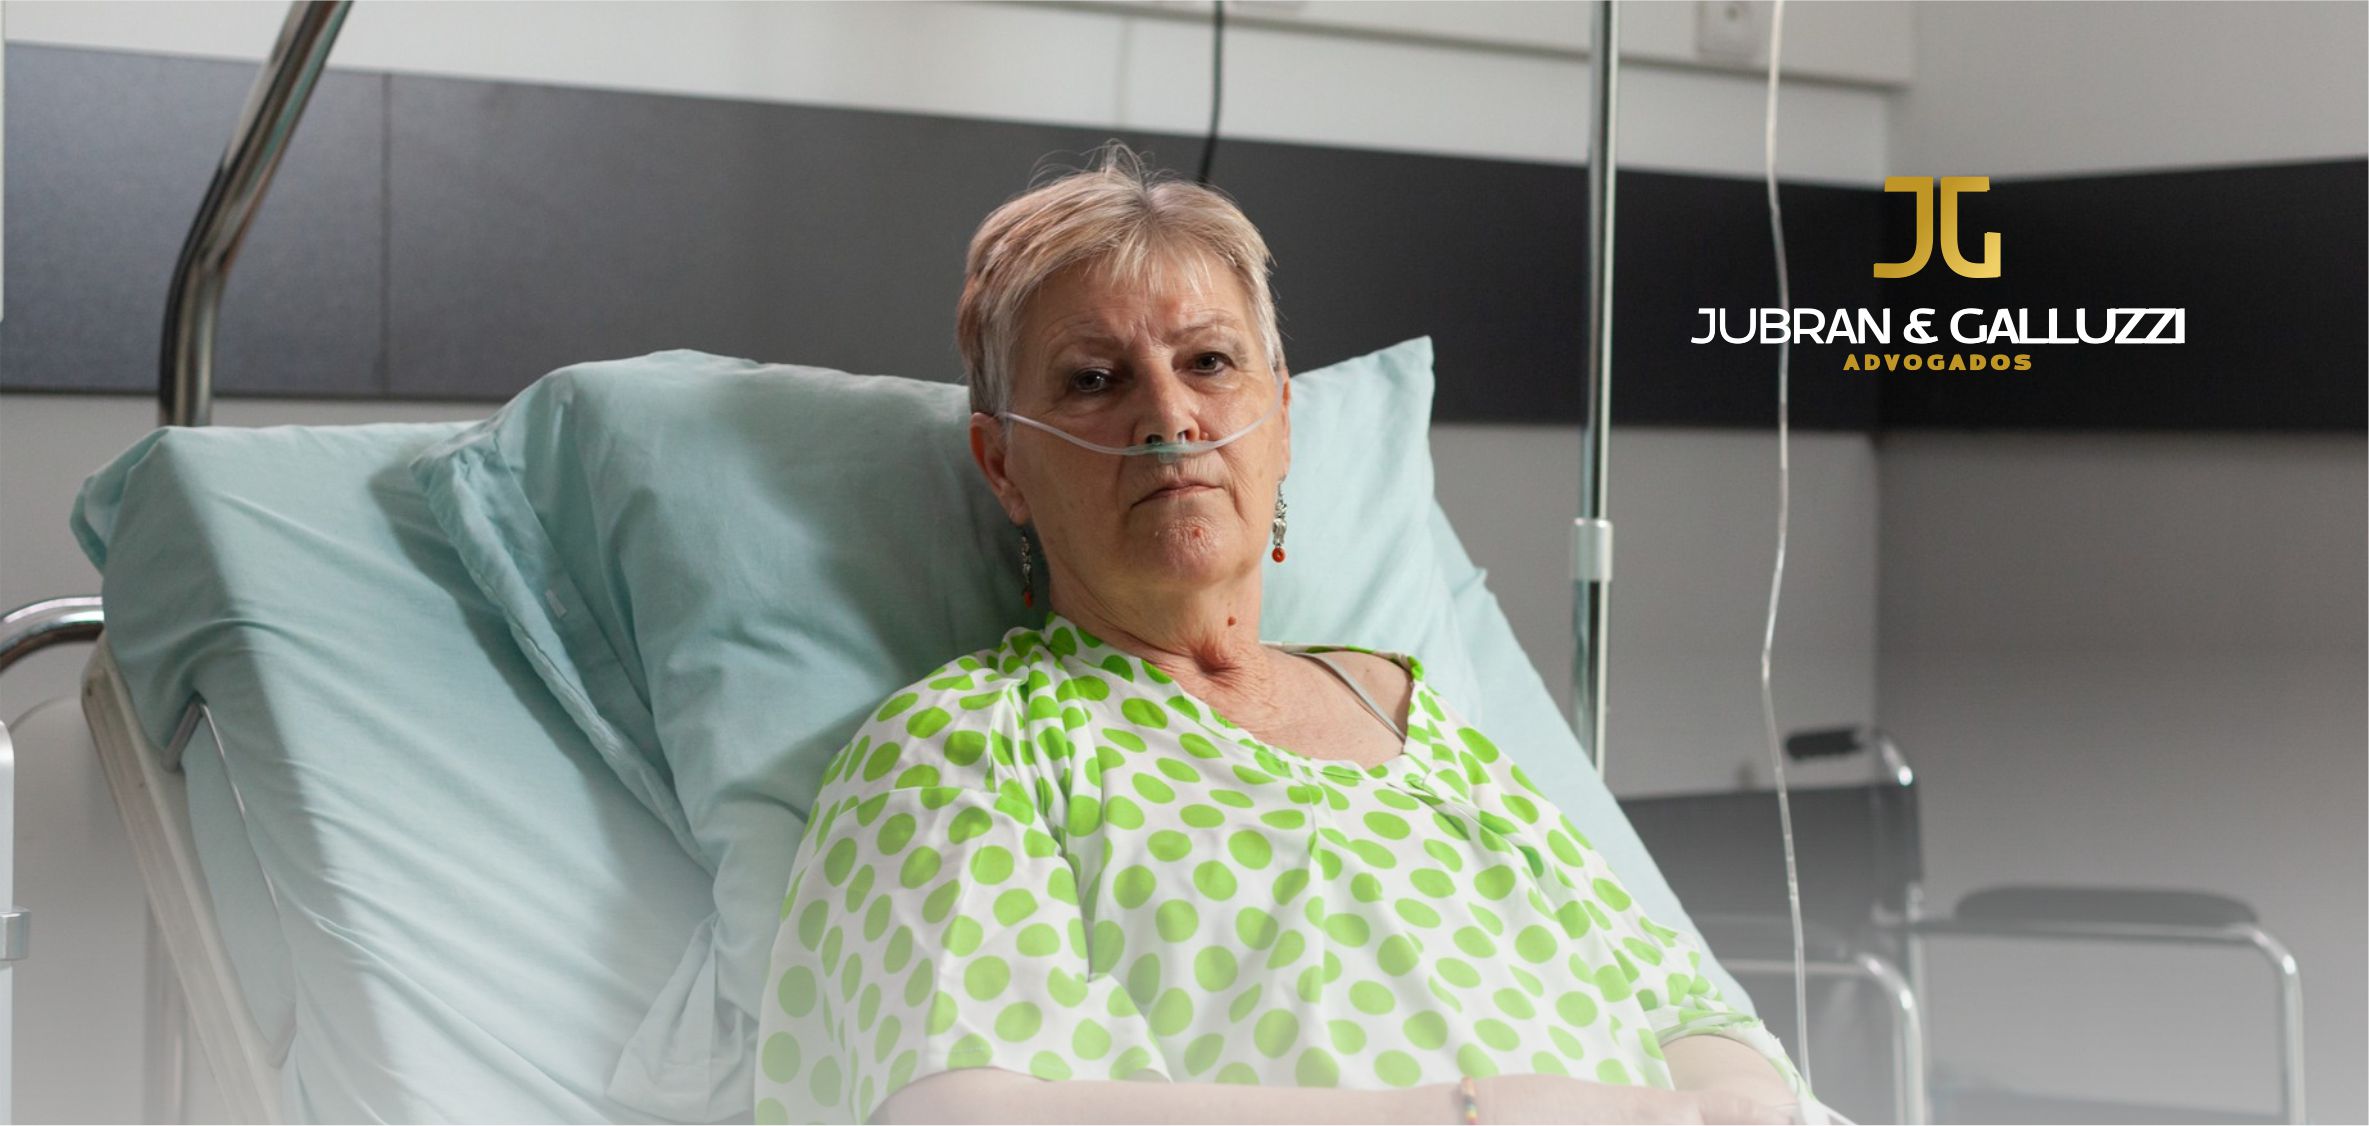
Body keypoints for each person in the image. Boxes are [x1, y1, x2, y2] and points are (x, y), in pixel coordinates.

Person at [752, 141, 1818, 1125]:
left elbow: (1683, 1005)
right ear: (1002, 466)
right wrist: (1468, 1114)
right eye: (1093, 380)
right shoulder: (970, 743)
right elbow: (961, 1111)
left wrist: (1733, 1103)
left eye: (1210, 362)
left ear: (1283, 424)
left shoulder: (1407, 714)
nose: (1167, 416)